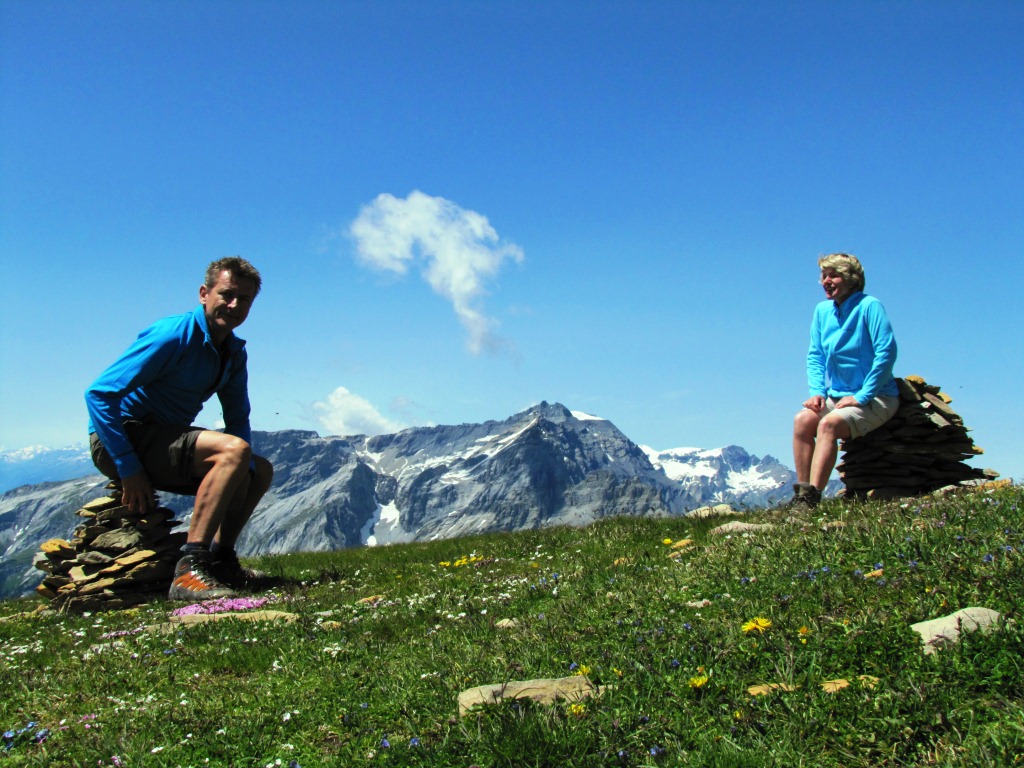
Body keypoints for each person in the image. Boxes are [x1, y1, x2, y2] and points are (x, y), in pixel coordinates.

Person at [85, 257, 273, 600]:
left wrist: (242, 476)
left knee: (258, 469)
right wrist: (129, 468)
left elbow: (238, 418)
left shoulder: (232, 352)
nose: (233, 306)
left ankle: (222, 560)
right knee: (234, 452)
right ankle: (190, 570)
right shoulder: (172, 334)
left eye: (243, 300)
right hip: (120, 438)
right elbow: (98, 394)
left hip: (160, 439)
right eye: (226, 294)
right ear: (204, 293)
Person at [792, 253, 898, 507]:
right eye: (823, 276)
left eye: (834, 275)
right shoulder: (822, 311)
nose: (826, 281)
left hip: (877, 397)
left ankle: (812, 499)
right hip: (837, 395)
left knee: (829, 425)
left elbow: (887, 352)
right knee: (803, 420)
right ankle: (802, 494)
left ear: (851, 279)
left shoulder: (869, 306)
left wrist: (862, 396)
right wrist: (817, 392)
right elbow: (815, 354)